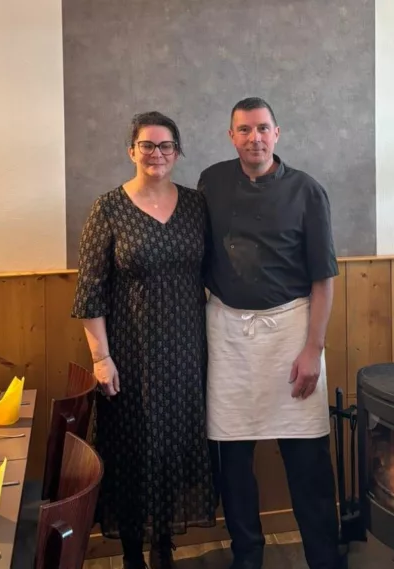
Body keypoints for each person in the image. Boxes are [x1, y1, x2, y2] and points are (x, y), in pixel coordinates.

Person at [198, 97, 341, 569]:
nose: (254, 138)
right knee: (233, 462)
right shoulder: (211, 183)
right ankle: (247, 557)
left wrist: (313, 349)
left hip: (291, 335)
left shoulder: (307, 190)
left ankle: (324, 559)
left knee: (307, 460)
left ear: (277, 133)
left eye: (262, 128)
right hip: (228, 335)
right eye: (244, 130)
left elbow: (324, 279)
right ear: (231, 136)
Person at [71, 111, 216, 569]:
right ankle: (133, 553)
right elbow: (89, 291)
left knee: (174, 448)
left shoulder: (196, 205)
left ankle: (164, 546)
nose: (157, 153)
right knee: (133, 452)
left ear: (178, 151)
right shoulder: (108, 208)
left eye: (166, 145)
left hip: (187, 351)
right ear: (131, 150)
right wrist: (101, 358)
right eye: (147, 145)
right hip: (130, 354)